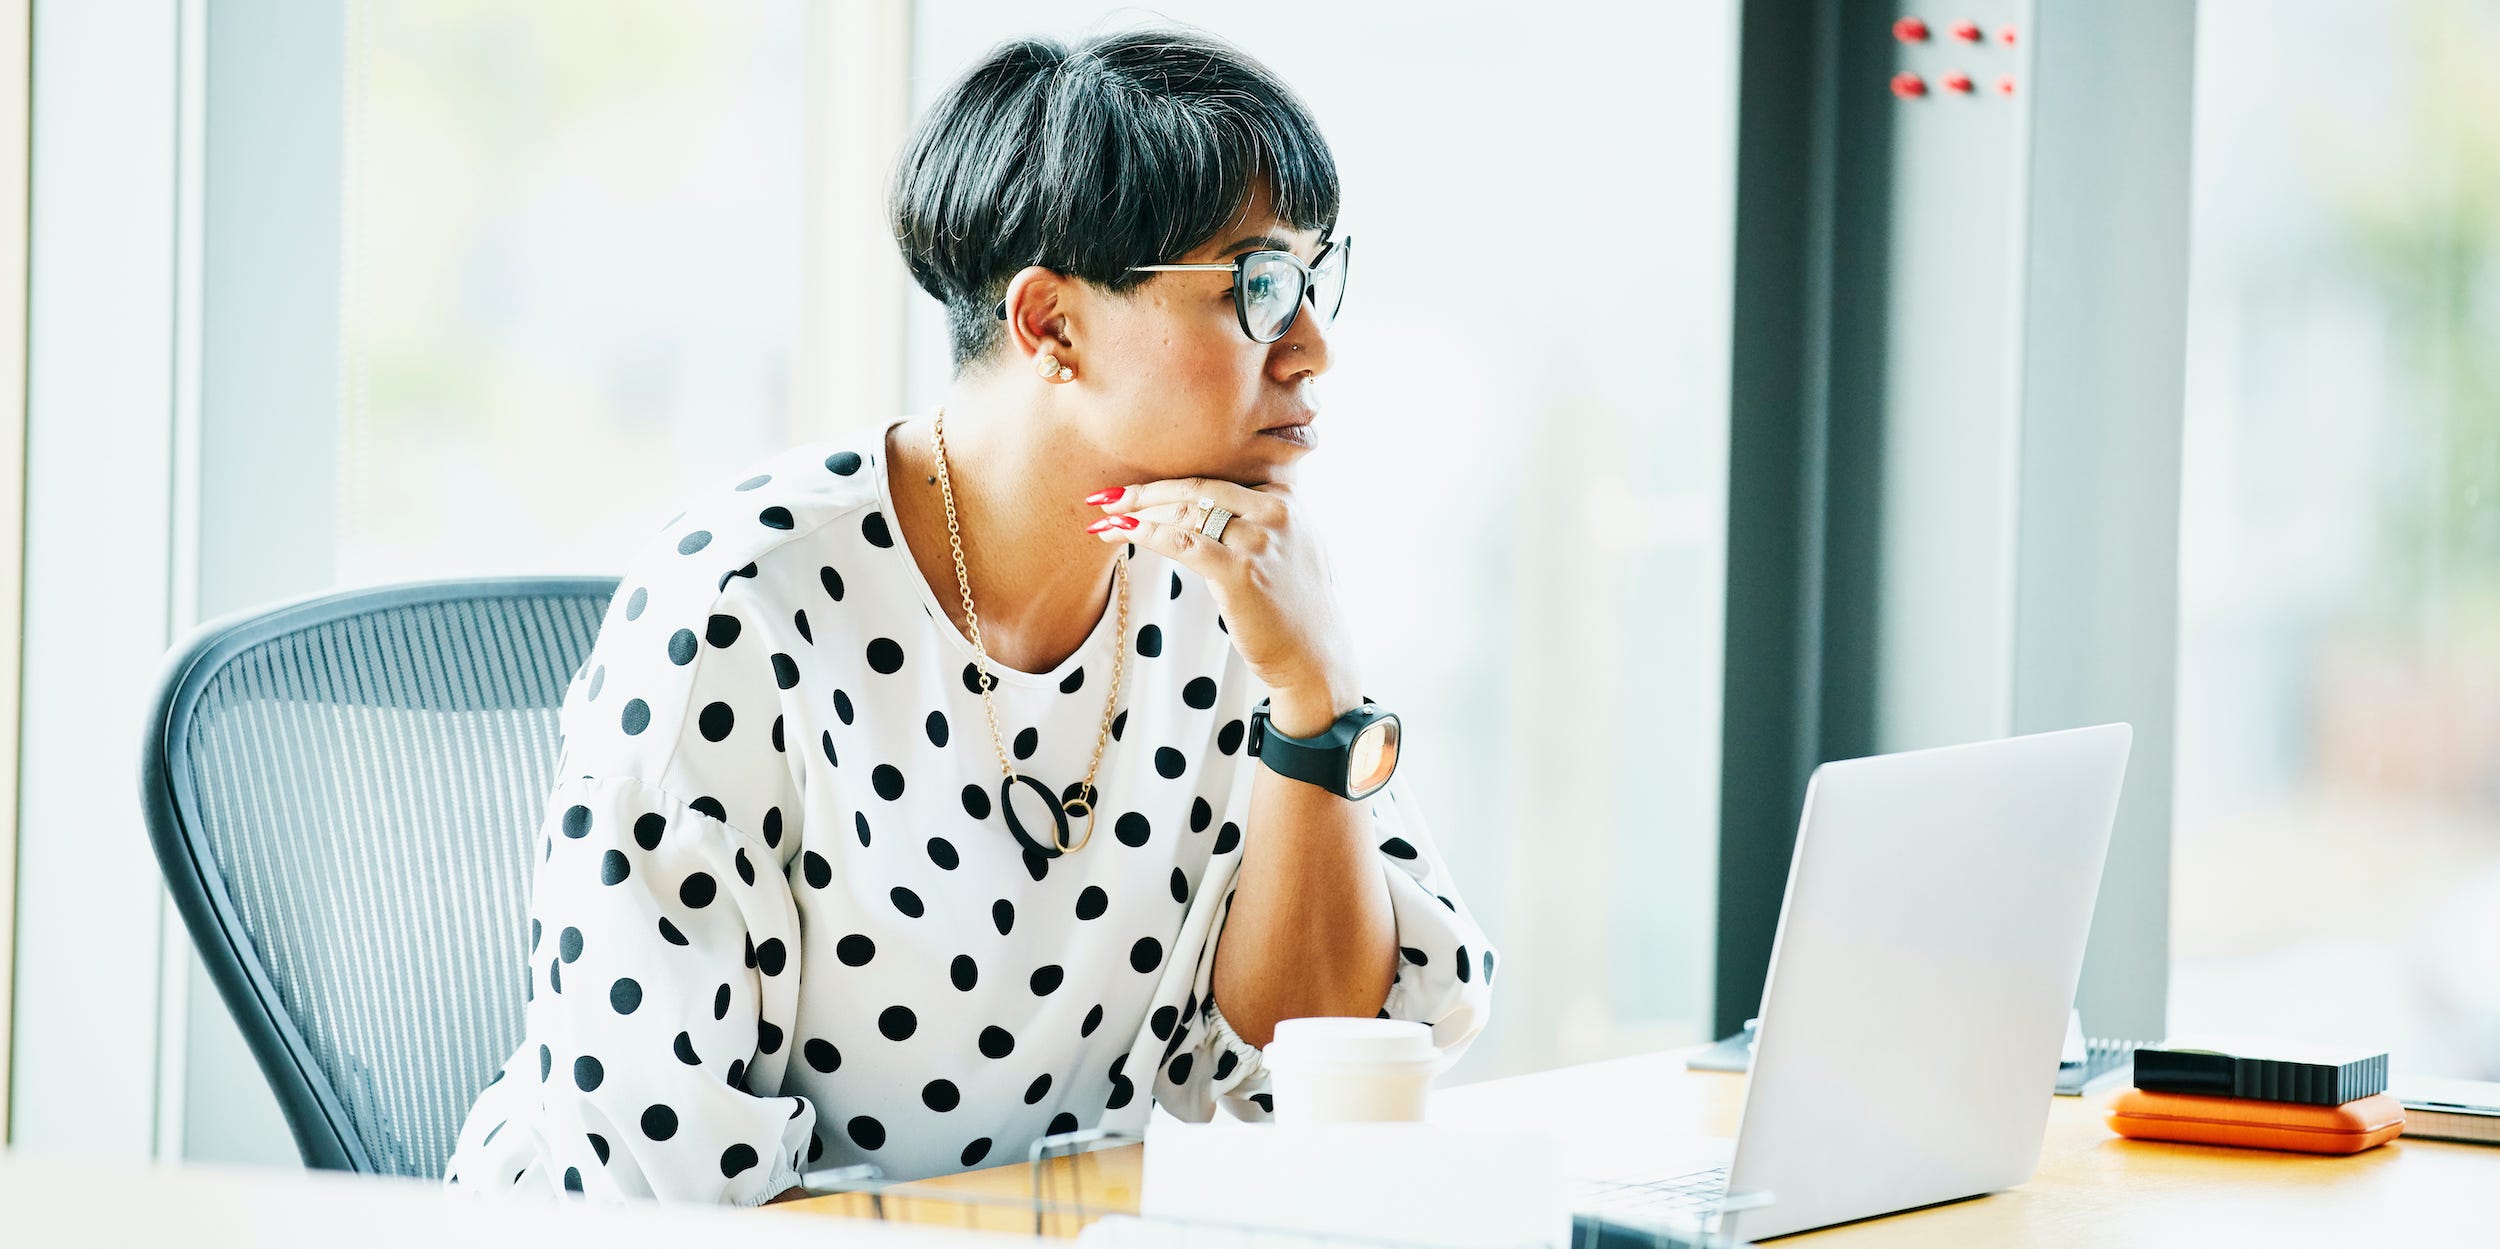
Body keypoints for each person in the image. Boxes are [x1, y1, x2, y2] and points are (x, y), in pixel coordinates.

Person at [444, 23, 1494, 1205]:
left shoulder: (1237, 583)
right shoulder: (742, 602)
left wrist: (1317, 699)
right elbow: (664, 1176)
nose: (1313, 348)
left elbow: (1303, 1067)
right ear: (1050, 323)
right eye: (1258, 285)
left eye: (1312, 278)